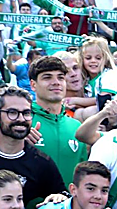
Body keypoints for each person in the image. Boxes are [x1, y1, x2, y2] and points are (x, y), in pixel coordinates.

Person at [0, 86, 65, 209]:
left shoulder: (41, 162)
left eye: (26, 113)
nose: (21, 119)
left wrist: (59, 198)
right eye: (12, 113)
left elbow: (62, 195)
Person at [29, 55, 88, 184]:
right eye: (47, 77)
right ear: (33, 85)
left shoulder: (76, 127)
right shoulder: (22, 122)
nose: (56, 82)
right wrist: (14, 139)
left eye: (60, 77)